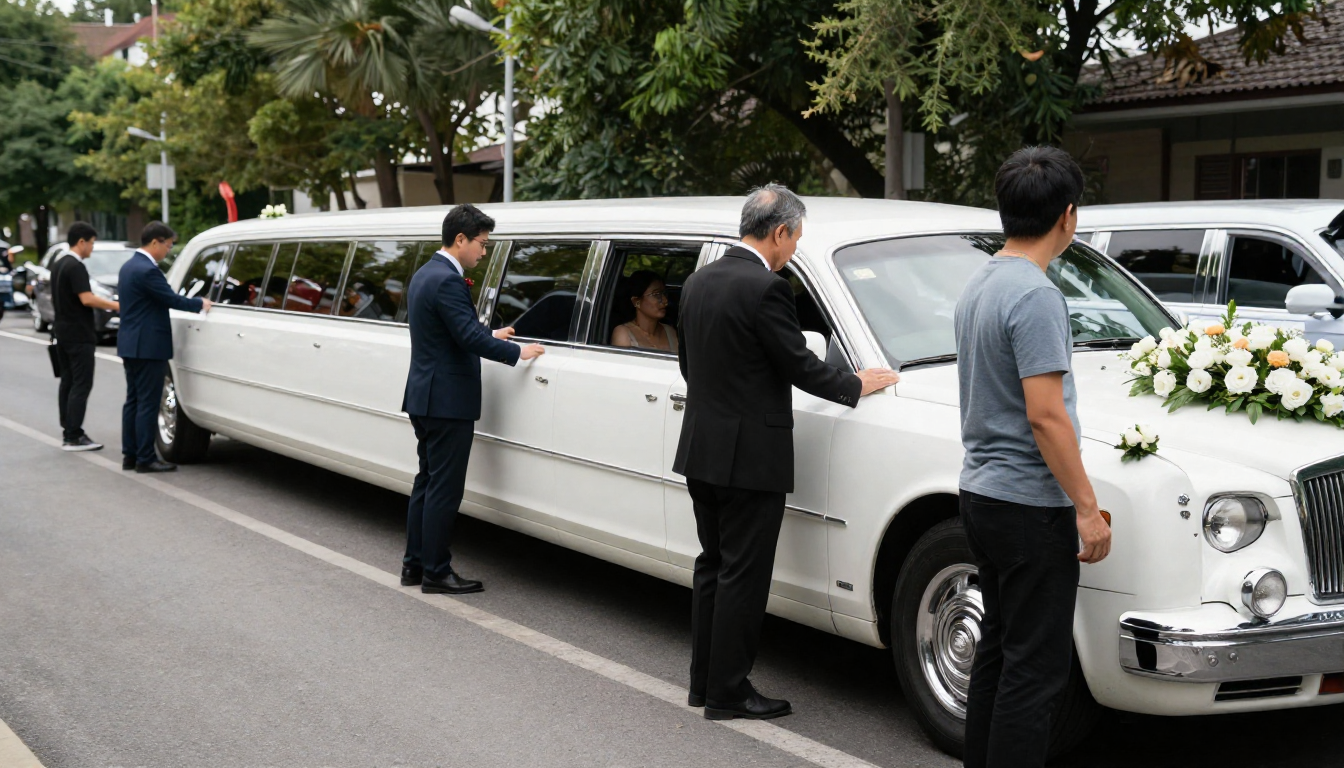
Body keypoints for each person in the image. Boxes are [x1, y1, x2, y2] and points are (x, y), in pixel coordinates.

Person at [673, 184, 900, 720]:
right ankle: (730, 692)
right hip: (750, 456)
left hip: (702, 447)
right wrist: (854, 384)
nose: (795, 248)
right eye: (795, 238)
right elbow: (800, 364)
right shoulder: (767, 288)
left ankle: (704, 683)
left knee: (713, 566)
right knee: (743, 577)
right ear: (779, 232)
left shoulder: (697, 282)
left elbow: (690, 365)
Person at [953, 147, 1112, 768]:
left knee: (998, 651)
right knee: (1035, 673)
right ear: (1067, 217)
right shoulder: (1036, 295)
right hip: (1027, 504)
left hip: (981, 495)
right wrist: (1088, 508)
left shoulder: (981, 282)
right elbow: (1046, 415)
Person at [401, 204, 545, 595]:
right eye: (482, 243)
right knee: (444, 489)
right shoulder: (448, 280)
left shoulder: (425, 274)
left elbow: (450, 331)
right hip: (447, 400)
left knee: (427, 483)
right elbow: (466, 337)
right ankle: (436, 572)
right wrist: (518, 353)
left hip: (424, 395)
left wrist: (491, 335)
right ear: (460, 239)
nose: (484, 251)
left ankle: (414, 565)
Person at [117, 221, 212, 473]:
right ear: (155, 242)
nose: (168, 251)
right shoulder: (148, 270)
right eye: (168, 246)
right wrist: (199, 303)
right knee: (148, 403)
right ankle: (146, 458)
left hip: (130, 343)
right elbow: (170, 299)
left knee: (133, 401)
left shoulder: (128, 267)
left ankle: (130, 454)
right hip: (148, 346)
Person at [51, 223, 119, 451]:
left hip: (62, 332)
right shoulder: (76, 266)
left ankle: (68, 430)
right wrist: (116, 305)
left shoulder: (59, 263)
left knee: (68, 382)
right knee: (82, 383)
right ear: (81, 242)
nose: (92, 247)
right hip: (79, 334)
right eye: (91, 243)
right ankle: (74, 435)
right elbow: (87, 299)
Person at [610, 270, 678, 353]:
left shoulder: (670, 332)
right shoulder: (623, 333)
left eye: (664, 293)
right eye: (656, 295)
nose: (665, 300)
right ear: (636, 301)